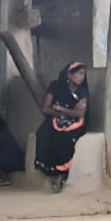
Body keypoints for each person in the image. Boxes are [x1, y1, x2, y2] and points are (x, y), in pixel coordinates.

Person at [34, 62, 89, 193]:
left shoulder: (82, 92)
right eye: (80, 74)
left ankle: (61, 175)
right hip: (55, 119)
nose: (82, 77)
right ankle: (52, 171)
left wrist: (61, 109)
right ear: (69, 75)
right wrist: (65, 113)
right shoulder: (55, 86)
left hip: (75, 123)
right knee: (44, 133)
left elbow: (80, 114)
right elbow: (45, 109)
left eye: (84, 75)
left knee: (66, 137)